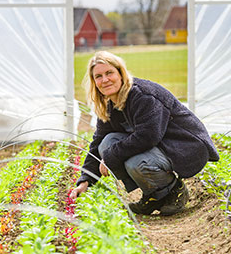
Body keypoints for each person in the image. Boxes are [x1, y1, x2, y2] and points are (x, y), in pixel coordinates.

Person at [70, 51, 219, 216]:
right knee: (107, 142)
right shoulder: (109, 103)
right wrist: (85, 180)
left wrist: (111, 156)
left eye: (109, 73)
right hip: (162, 146)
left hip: (186, 145)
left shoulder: (142, 95)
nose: (105, 80)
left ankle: (174, 191)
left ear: (121, 73)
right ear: (94, 82)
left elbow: (148, 136)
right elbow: (98, 142)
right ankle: (153, 196)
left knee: (136, 163)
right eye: (98, 76)